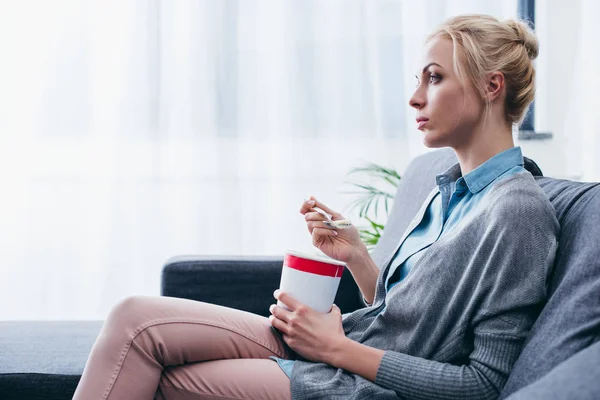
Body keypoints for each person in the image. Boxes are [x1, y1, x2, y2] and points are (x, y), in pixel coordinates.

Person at [72, 14, 559, 400]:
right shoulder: (448, 188)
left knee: (158, 372)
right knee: (133, 318)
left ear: (492, 87)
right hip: (341, 347)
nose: (414, 98)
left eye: (434, 79)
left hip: (357, 377)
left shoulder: (517, 211)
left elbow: (484, 384)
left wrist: (336, 349)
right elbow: (404, 317)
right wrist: (358, 257)